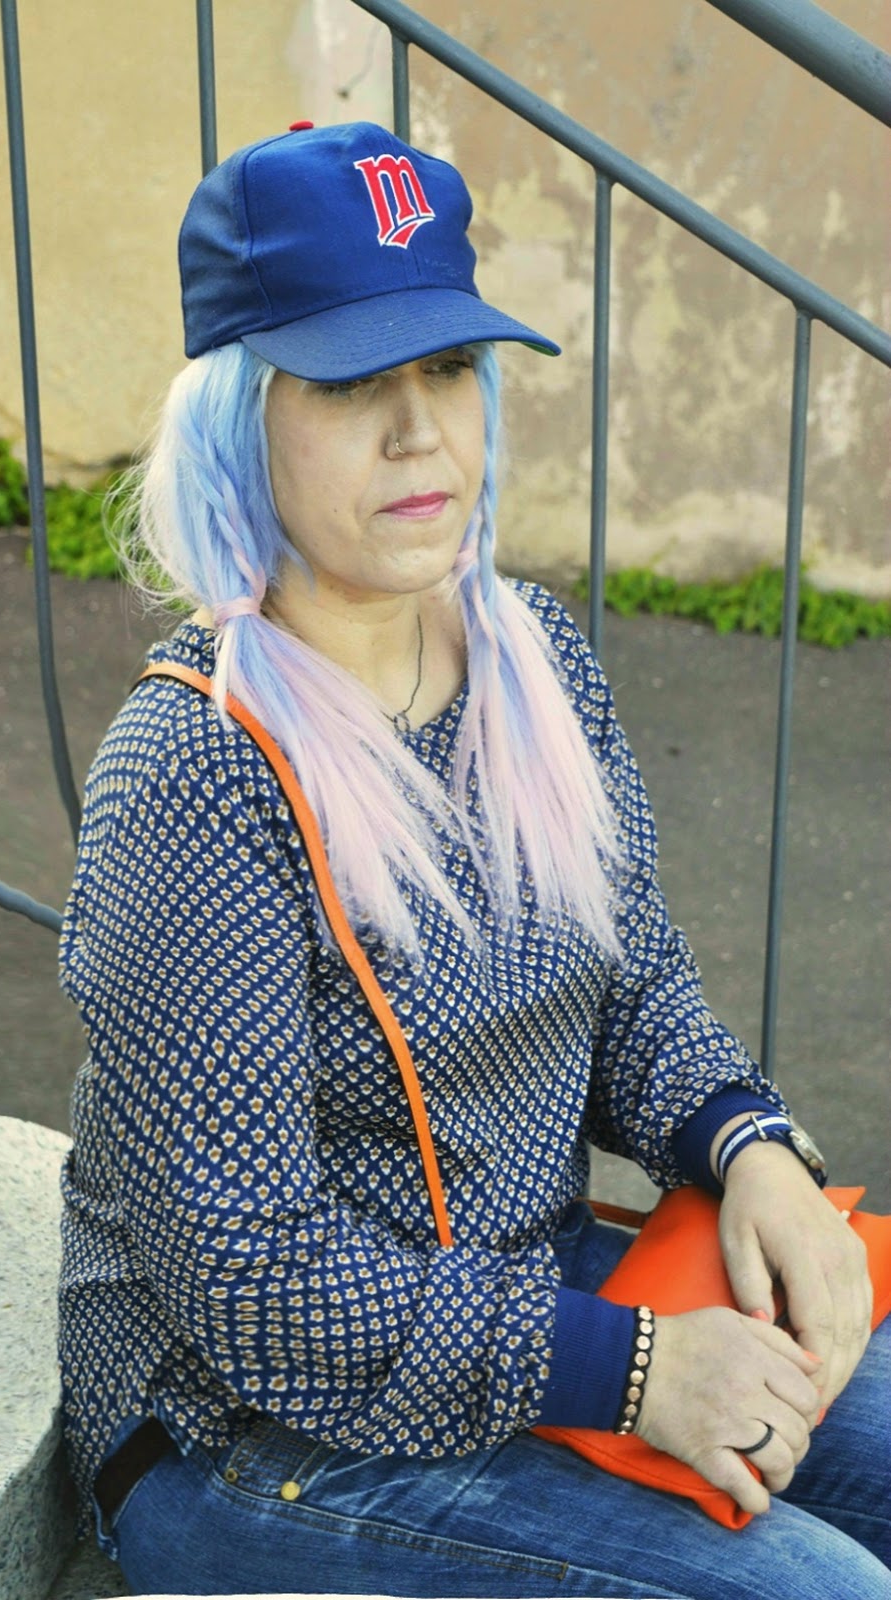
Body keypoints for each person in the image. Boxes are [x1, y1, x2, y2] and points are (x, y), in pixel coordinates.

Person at [58, 121, 889, 1598]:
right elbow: (251, 1281)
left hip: (533, 1314)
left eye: (446, 369)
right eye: (345, 384)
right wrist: (637, 1371)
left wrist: (744, 1143)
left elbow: (628, 981)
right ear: (241, 417)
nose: (418, 431)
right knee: (816, 1590)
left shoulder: (530, 656)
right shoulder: (189, 775)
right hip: (242, 1435)